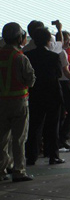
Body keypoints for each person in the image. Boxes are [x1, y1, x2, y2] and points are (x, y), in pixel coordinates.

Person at [24, 27, 65, 165]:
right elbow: (59, 74)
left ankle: (31, 156)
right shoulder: (53, 57)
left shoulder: (28, 56)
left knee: (35, 125)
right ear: (48, 41)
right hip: (52, 93)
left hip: (35, 93)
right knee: (53, 125)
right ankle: (53, 155)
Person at [0, 23, 35, 182]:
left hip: (1, 103)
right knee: (19, 139)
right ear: (19, 38)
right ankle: (18, 170)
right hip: (19, 102)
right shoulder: (20, 57)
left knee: (2, 139)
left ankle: (2, 169)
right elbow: (30, 80)